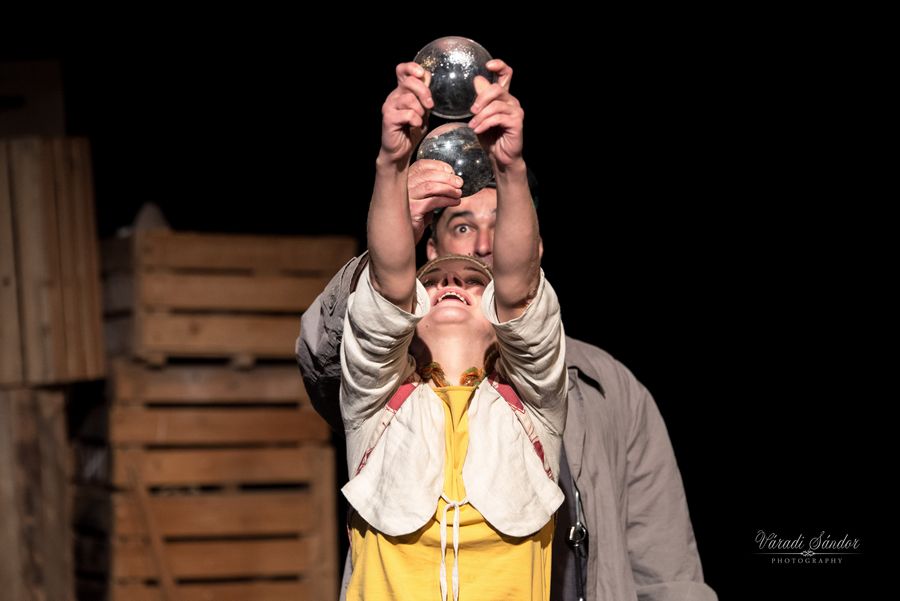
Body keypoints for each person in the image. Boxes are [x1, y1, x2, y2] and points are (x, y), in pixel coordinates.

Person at [297, 58, 718, 601]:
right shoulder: (379, 391)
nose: (482, 249)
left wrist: (511, 167)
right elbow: (373, 304)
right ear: (427, 249)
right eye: (463, 227)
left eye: (500, 230)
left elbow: (666, 568)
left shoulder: (578, 389)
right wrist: (391, 169)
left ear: (533, 249)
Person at [339, 60, 566, 601]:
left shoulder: (536, 406)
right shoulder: (374, 403)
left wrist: (509, 167)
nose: (452, 283)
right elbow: (388, 282)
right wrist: (391, 165)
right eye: (436, 278)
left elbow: (519, 289)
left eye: (473, 281)